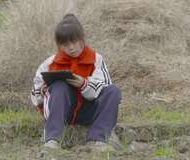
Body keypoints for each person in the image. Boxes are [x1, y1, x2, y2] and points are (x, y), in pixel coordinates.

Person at [31, 14, 122, 152]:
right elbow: (35, 95)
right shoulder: (49, 63)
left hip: (88, 111)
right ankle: (52, 140)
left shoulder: (96, 59)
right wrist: (45, 91)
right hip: (61, 111)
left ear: (82, 39)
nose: (71, 48)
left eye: (74, 42)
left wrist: (83, 84)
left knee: (113, 91)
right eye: (66, 45)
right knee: (59, 86)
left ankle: (97, 140)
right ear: (59, 45)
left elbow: (104, 86)